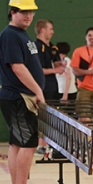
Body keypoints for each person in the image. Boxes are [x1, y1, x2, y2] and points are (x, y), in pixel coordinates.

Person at [0, 0, 47, 184]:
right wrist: (38, 90)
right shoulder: (10, 35)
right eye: (23, 12)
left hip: (19, 97)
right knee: (28, 143)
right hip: (18, 97)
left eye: (31, 12)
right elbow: (17, 68)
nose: (28, 16)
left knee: (18, 144)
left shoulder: (21, 35)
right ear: (13, 11)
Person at [34, 19, 64, 154]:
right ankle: (41, 145)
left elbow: (55, 62)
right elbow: (38, 69)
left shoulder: (52, 47)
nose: (52, 32)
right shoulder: (36, 47)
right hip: (42, 86)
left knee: (52, 116)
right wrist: (54, 70)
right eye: (50, 29)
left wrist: (59, 66)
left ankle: (50, 144)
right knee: (42, 116)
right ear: (42, 30)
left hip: (53, 86)